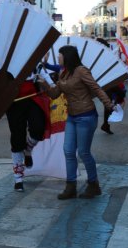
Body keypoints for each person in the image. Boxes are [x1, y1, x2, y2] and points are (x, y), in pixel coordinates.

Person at [37, 45, 114, 200]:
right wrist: (44, 84)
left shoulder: (81, 71)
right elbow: (54, 94)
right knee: (68, 151)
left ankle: (94, 185)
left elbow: (96, 88)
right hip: (71, 117)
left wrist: (108, 104)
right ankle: (70, 187)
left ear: (67, 56)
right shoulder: (63, 74)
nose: (58, 58)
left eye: (60, 55)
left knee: (84, 152)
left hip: (86, 116)